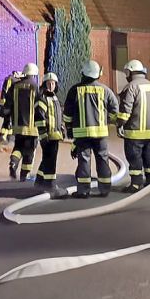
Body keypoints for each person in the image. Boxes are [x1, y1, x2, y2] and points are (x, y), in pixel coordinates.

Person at [63, 60, 119, 198]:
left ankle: (83, 191)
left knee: (84, 160)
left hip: (82, 134)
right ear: (97, 74)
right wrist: (107, 120)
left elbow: (67, 113)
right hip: (100, 133)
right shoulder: (105, 90)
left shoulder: (74, 90)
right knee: (103, 159)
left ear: (83, 73)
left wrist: (69, 128)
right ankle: (105, 189)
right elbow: (115, 109)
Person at [116, 59, 150, 193]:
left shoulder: (131, 87)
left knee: (134, 158)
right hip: (148, 132)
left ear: (131, 72)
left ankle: (136, 184)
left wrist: (119, 125)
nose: (126, 75)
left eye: (127, 72)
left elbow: (125, 111)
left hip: (134, 132)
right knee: (149, 157)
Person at [5, 63, 40, 181]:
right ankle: (25, 175)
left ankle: (13, 163)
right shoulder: (35, 86)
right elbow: (40, 106)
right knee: (29, 151)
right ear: (34, 73)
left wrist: (7, 119)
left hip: (17, 125)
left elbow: (7, 105)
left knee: (18, 147)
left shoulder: (15, 86)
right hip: (32, 127)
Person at [34, 72, 67, 197]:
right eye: (49, 83)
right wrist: (43, 135)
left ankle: (39, 181)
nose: (51, 85)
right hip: (47, 135)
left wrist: (62, 128)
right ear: (44, 84)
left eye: (53, 83)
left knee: (47, 159)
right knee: (51, 161)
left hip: (55, 134)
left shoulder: (54, 98)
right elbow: (39, 117)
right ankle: (51, 185)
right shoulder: (42, 98)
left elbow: (58, 116)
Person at [0, 70, 22, 143]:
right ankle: (5, 137)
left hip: (9, 103)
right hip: (8, 104)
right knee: (8, 120)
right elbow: (6, 91)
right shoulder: (10, 79)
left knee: (8, 120)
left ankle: (6, 137)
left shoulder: (11, 80)